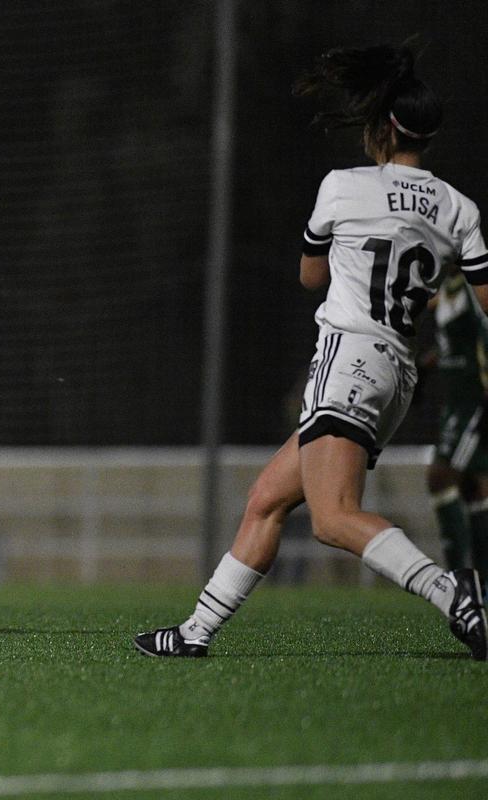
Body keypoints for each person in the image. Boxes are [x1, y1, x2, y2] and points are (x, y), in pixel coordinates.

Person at [134, 44, 488, 660]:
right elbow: (485, 297)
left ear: (379, 127)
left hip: (350, 356)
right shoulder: (460, 209)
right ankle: (195, 632)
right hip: (396, 376)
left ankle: (453, 593)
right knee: (267, 499)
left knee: (332, 517)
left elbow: (309, 276)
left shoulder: (343, 187)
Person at [425, 270, 488, 587]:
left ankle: (458, 579)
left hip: (475, 403)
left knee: (440, 475)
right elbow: (456, 343)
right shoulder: (449, 290)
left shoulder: (475, 290)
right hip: (456, 404)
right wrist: (427, 365)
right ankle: (480, 581)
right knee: (474, 486)